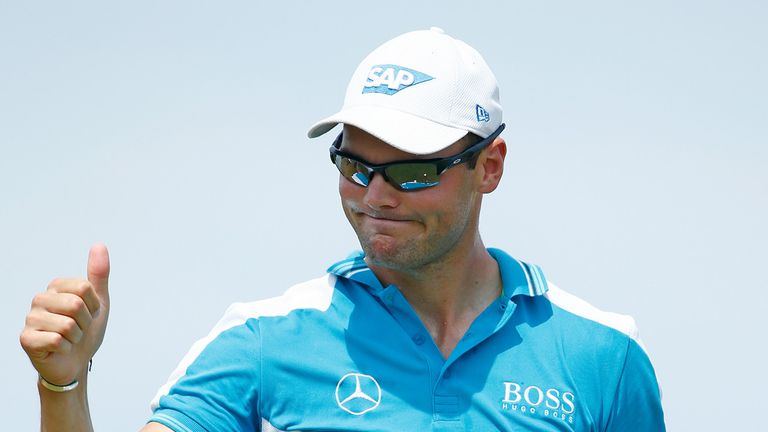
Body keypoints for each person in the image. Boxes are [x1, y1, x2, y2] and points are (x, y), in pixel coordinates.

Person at [20, 27, 666, 431]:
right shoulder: (262, 338)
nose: (374, 196)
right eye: (355, 166)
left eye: (411, 171)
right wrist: (64, 385)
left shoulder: (602, 357)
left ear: (488, 167)